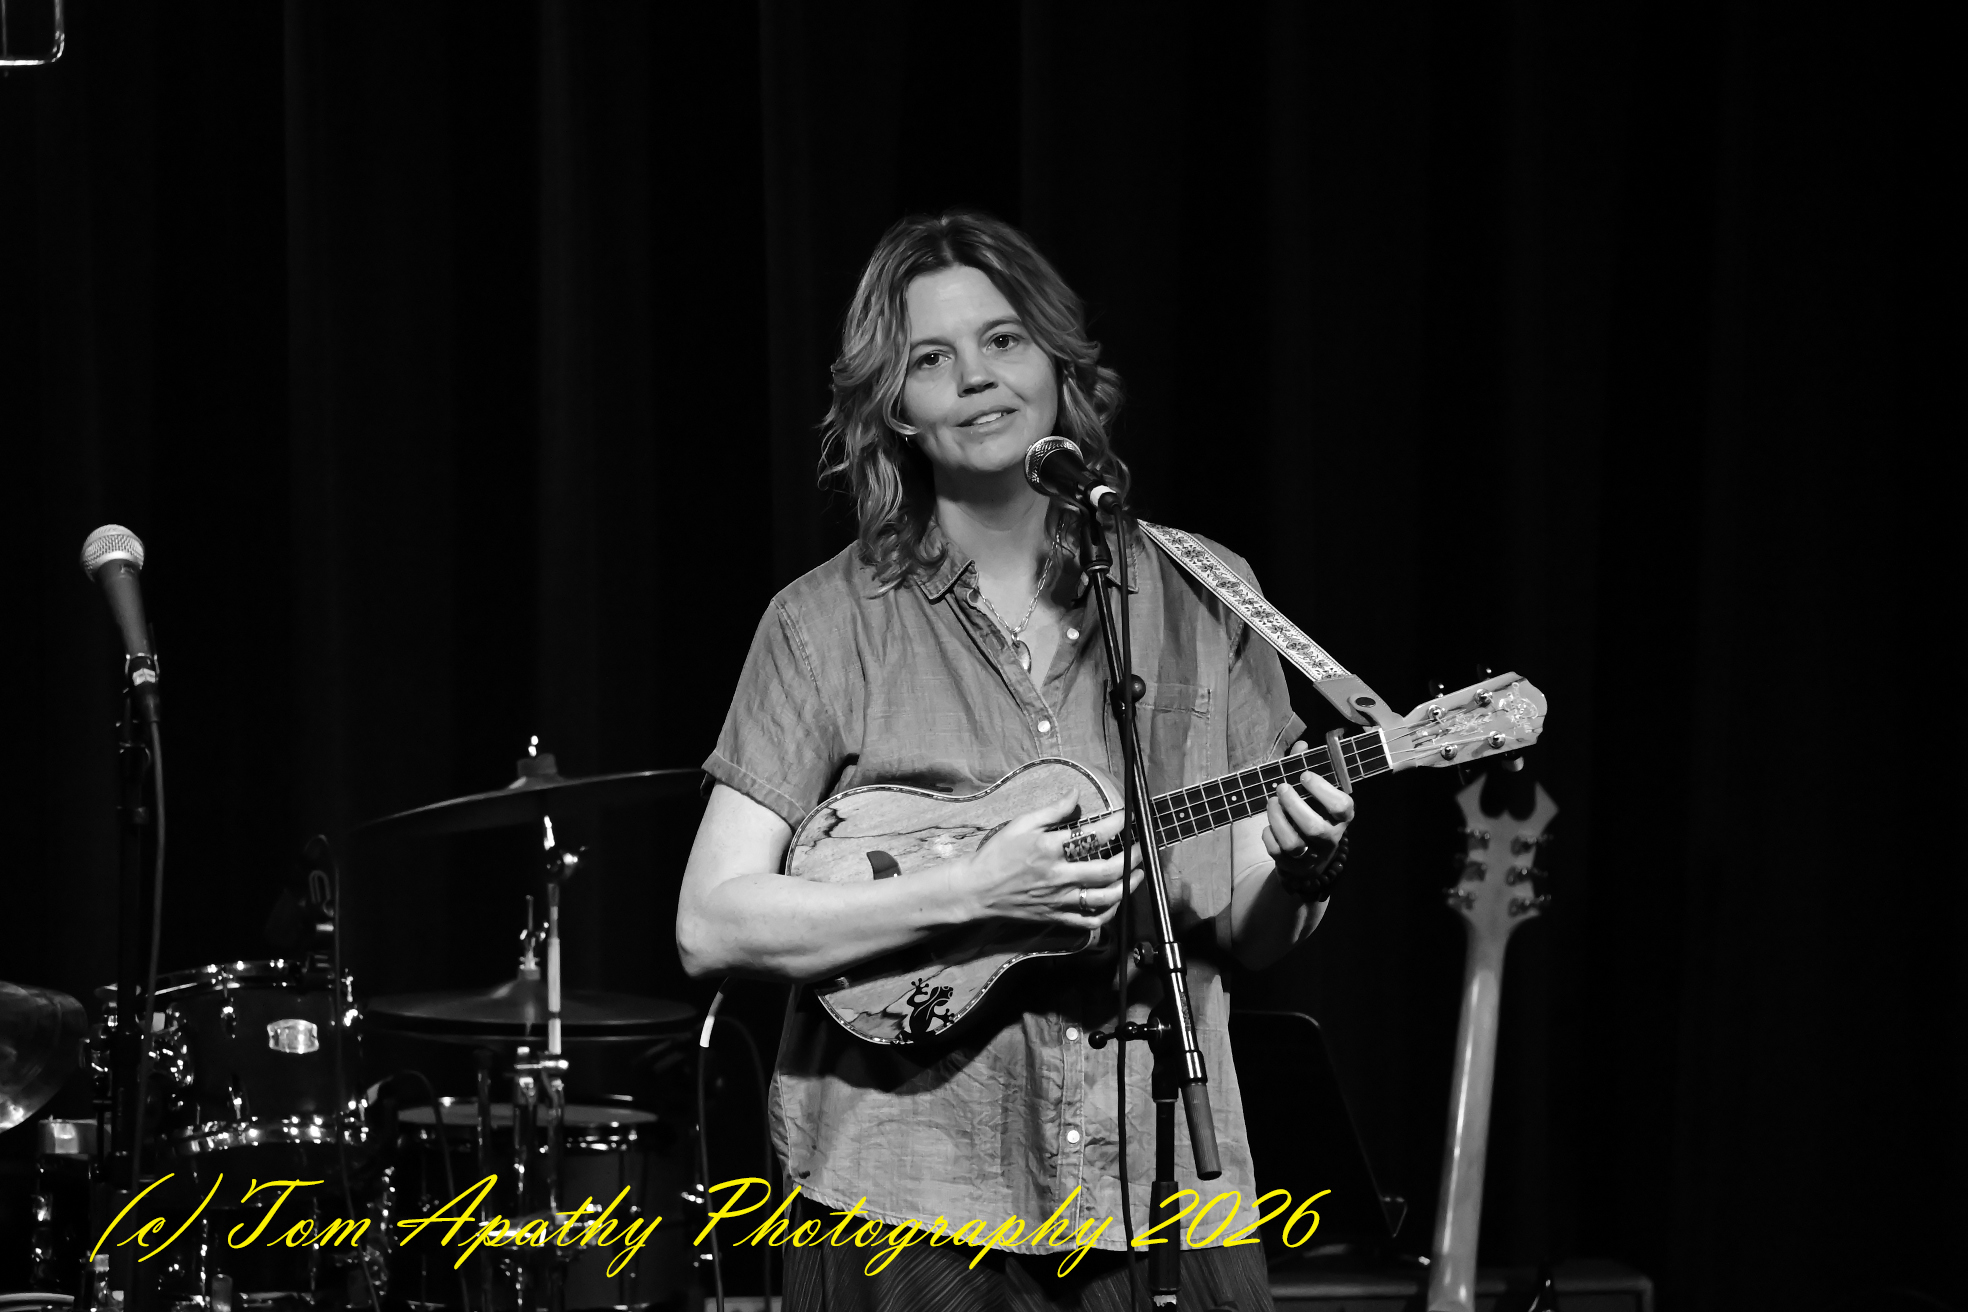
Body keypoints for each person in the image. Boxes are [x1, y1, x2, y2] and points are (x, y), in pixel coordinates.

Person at [676, 211, 1355, 1312]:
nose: (977, 377)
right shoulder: (822, 622)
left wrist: (1303, 867)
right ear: (895, 406)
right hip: (906, 1200)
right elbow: (711, 924)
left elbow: (1246, 929)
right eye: (930, 358)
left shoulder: (1203, 592)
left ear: (1057, 361)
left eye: (1003, 340)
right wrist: (976, 890)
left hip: (1169, 1194)